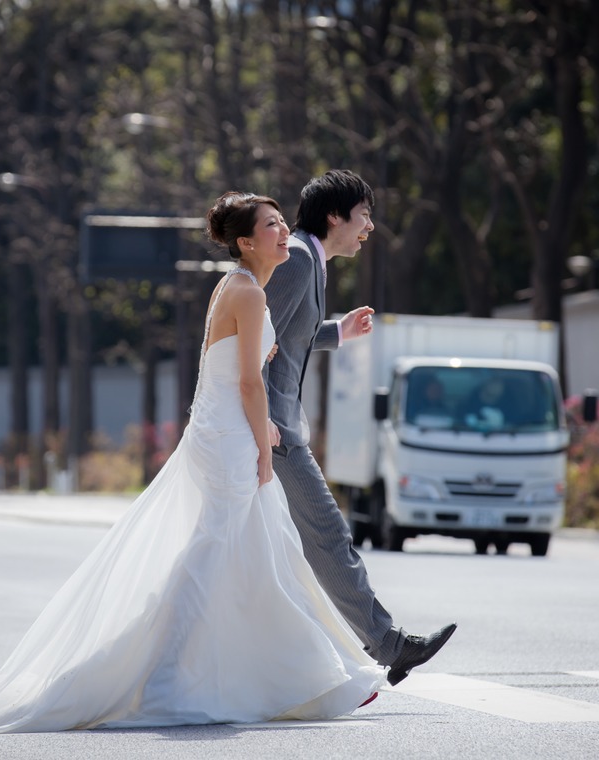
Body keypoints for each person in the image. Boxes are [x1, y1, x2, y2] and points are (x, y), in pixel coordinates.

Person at [0, 192, 385, 739]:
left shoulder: (237, 289)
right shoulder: (247, 294)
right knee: (219, 559)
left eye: (284, 223)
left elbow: (227, 376)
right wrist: (263, 445)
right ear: (244, 241)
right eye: (272, 226)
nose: (285, 233)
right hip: (233, 442)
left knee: (259, 557)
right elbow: (249, 382)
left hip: (223, 434)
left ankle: (305, 675)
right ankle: (177, 680)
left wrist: (264, 426)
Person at [263, 170, 456, 686]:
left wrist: (337, 332)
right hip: (272, 432)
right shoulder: (300, 259)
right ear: (335, 217)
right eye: (364, 215)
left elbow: (288, 336)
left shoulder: (310, 259)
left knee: (252, 549)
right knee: (327, 537)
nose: (370, 227)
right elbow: (255, 338)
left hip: (269, 427)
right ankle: (390, 646)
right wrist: (261, 418)